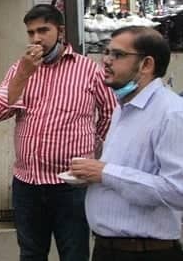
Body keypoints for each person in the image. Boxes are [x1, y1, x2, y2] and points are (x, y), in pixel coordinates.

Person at [0, 4, 117, 261]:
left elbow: (111, 115)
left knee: (74, 253)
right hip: (27, 183)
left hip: (71, 185)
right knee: (31, 253)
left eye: (43, 30)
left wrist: (92, 151)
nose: (36, 38)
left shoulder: (89, 70)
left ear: (60, 31)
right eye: (31, 32)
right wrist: (23, 74)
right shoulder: (20, 69)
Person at [71, 26, 183, 261]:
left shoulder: (171, 114)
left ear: (146, 65)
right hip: (107, 248)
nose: (106, 61)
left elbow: (177, 191)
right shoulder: (122, 108)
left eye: (118, 55)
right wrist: (92, 174)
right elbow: (125, 170)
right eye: (106, 52)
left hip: (146, 252)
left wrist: (105, 173)